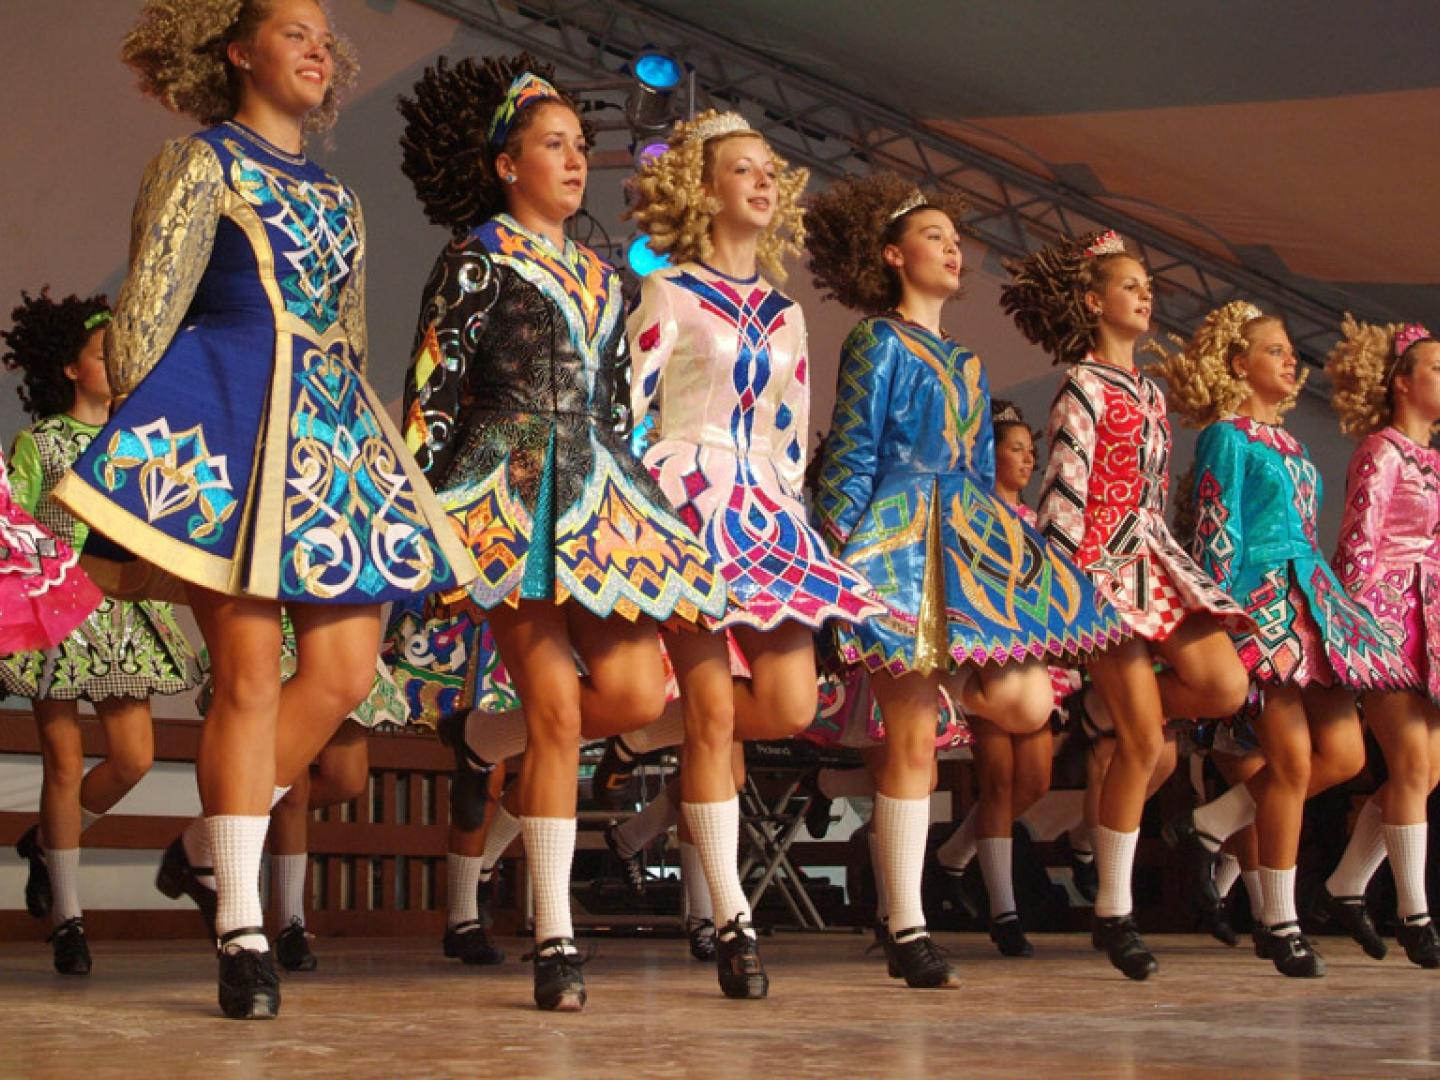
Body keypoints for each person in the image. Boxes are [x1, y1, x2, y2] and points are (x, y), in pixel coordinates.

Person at [54, 0, 472, 1019]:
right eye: (295, 31)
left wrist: (362, 450)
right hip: (227, 417)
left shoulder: (338, 195)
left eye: (326, 37)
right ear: (239, 52)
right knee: (245, 678)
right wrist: (162, 463)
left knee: (345, 672)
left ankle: (204, 846)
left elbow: (351, 331)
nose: (319, 47)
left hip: (327, 433)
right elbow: (147, 313)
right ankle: (241, 926)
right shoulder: (200, 161)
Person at [396, 54, 726, 1011]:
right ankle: (553, 935)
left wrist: (639, 505)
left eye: (582, 145)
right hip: (503, 497)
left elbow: (615, 406)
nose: (577, 161)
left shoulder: (604, 275)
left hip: (594, 496)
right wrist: (421, 513)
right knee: (554, 709)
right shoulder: (475, 255)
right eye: (555, 145)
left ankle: (479, 741)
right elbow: (432, 389)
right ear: (508, 164)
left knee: (631, 693)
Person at [807, 174, 1127, 988]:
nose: (954, 250)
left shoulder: (968, 360)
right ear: (893, 255)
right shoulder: (876, 340)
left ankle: (950, 696)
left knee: (1026, 700)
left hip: (968, 541)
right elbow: (852, 451)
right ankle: (905, 923)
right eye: (935, 236)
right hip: (898, 544)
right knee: (910, 737)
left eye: (956, 240)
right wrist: (841, 567)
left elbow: (982, 471)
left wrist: (1005, 559)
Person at [624, 109, 886, 995]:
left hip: (768, 513)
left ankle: (643, 732)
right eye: (743, 168)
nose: (764, 181)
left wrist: (791, 512)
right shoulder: (667, 291)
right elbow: (632, 410)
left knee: (787, 702)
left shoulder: (786, 312)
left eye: (770, 169)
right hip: (685, 505)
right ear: (703, 190)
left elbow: (791, 425)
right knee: (711, 712)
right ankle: (732, 917)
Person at [1002, 229, 1251, 979]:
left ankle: (1107, 709)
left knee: (1224, 684)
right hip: (1101, 568)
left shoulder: (1150, 390)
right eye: (1130, 285)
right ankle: (1114, 912)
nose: (1145, 296)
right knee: (1147, 745)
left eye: (1148, 287)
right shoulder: (1081, 382)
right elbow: (1063, 487)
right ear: (1092, 300)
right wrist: (1060, 587)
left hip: (1154, 560)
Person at [1152, 301, 1407, 975]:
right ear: (1240, 364)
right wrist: (1220, 614)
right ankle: (1280, 921)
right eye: (1275, 350)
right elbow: (1216, 527)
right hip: (1263, 603)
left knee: (1346, 755)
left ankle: (1208, 826)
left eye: (1292, 352)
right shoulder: (1226, 436)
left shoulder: (1292, 444)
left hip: (1313, 600)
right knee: (1291, 763)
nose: (1292, 360)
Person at [2, 288, 194, 975]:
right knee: (62, 762)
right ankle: (69, 919)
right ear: (69, 369)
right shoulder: (39, 443)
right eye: (102, 353)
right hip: (54, 612)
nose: (116, 362)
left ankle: (47, 845)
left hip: (123, 615)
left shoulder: (137, 439)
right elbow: (18, 528)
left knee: (133, 759)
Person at [1319, 316, 1440, 969]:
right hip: (1386, 624)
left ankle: (1346, 884)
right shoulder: (1381, 450)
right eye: (1437, 368)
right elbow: (1358, 543)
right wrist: (1352, 632)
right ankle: (1414, 916)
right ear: (1402, 382)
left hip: (1431, 626)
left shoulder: (1434, 458)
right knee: (1413, 767)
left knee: (1424, 772)